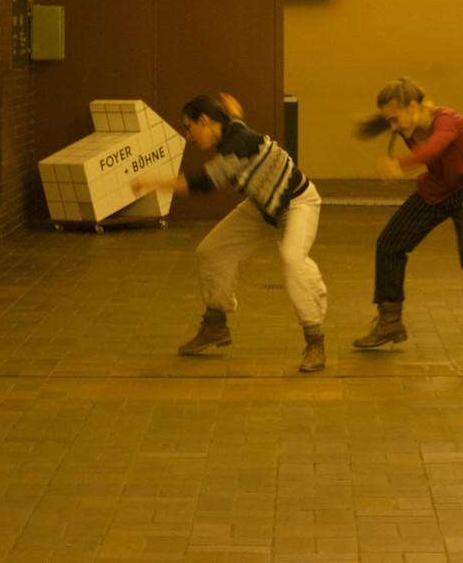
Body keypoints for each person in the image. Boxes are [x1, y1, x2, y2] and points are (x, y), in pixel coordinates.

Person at [131, 93, 329, 373]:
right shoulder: (231, 130)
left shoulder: (240, 143)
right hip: (263, 206)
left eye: (189, 127)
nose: (189, 136)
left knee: (292, 259)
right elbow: (235, 120)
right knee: (212, 252)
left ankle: (315, 339)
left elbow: (203, 182)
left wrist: (154, 182)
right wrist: (235, 111)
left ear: (205, 119)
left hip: (297, 202)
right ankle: (215, 324)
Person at [353, 78, 463, 361]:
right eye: (388, 121)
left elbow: (434, 148)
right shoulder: (410, 124)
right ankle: (390, 322)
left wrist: (399, 164)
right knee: (389, 243)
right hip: (437, 189)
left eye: (395, 119)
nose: (394, 127)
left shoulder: (449, 120)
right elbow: (423, 150)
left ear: (413, 106)